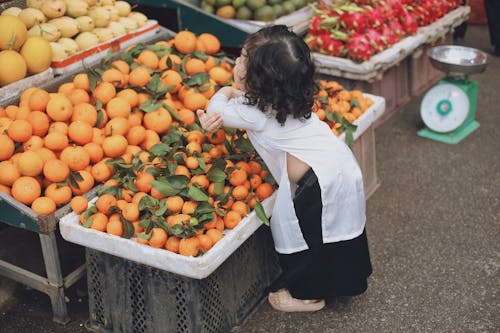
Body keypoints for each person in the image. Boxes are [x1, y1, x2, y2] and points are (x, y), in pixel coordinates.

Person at [196, 25, 372, 312]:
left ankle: (309, 297)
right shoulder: (290, 98)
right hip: (339, 166)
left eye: (242, 59)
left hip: (314, 187)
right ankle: (345, 282)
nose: (237, 62)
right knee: (340, 232)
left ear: (256, 79)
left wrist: (227, 90)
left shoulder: (253, 113)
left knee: (307, 244)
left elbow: (216, 108)